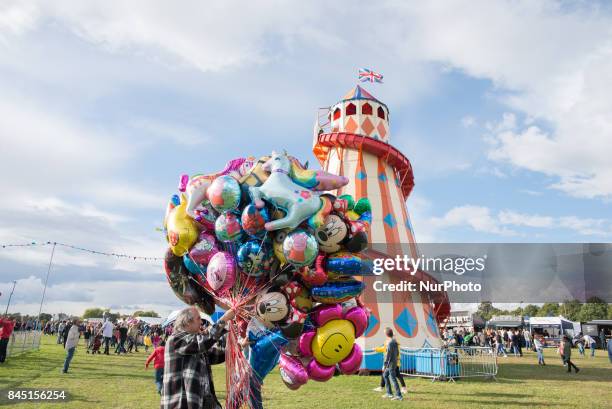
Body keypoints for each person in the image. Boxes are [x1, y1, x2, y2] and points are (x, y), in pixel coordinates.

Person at [161, 307, 235, 409]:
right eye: (198, 319)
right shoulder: (175, 339)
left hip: (202, 401)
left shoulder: (194, 341)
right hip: (181, 403)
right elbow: (204, 341)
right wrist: (225, 318)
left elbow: (218, 355)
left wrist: (239, 344)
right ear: (187, 322)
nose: (201, 322)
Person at [381, 328, 402, 401]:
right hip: (393, 362)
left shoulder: (390, 343)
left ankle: (399, 395)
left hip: (391, 363)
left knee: (393, 379)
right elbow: (397, 353)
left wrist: (384, 364)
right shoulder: (394, 341)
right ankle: (389, 393)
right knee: (385, 375)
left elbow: (388, 355)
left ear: (386, 334)